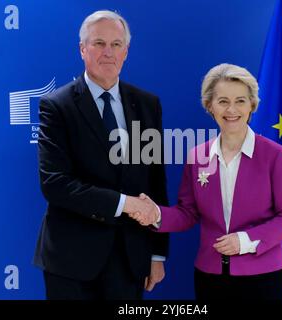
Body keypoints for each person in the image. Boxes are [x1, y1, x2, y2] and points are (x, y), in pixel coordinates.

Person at [130, 63, 282, 300]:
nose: (231, 109)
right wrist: (156, 215)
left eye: (240, 101)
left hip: (263, 278)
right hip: (210, 277)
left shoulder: (275, 155)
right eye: (223, 101)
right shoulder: (197, 156)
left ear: (252, 104)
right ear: (209, 106)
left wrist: (244, 241)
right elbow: (187, 213)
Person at [33, 10, 169, 300]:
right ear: (83, 49)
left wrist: (157, 253)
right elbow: (55, 183)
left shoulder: (147, 105)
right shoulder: (56, 106)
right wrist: (125, 203)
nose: (108, 52)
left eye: (116, 44)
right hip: (71, 261)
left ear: (126, 51)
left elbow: (155, 180)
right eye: (99, 43)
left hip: (130, 258)